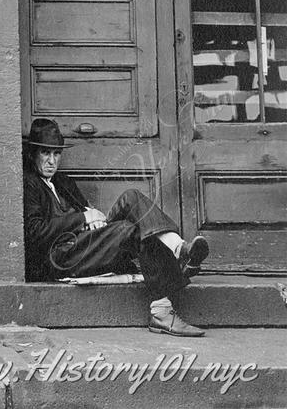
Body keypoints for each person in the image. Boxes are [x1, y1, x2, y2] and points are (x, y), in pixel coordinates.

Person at [23, 118, 209, 337]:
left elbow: (86, 209)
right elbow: (35, 232)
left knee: (132, 197)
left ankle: (178, 248)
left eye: (56, 154)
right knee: (129, 230)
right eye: (46, 153)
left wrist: (94, 217)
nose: (52, 161)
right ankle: (162, 311)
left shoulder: (62, 181)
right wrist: (82, 218)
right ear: (33, 154)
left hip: (87, 242)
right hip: (62, 255)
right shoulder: (29, 184)